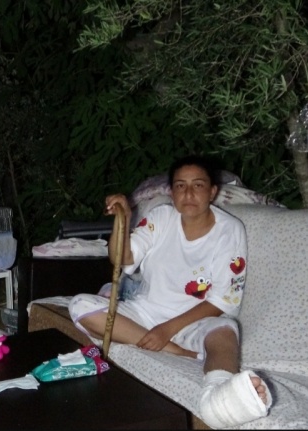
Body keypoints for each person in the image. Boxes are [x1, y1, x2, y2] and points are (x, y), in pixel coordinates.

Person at [68, 155, 272, 429]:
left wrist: (167, 329)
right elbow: (122, 259)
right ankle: (180, 353)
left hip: (195, 321)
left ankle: (220, 399)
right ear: (172, 192)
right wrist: (123, 220)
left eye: (198, 185)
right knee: (80, 305)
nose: (188, 193)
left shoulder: (229, 230)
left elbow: (224, 300)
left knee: (225, 331)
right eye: (180, 186)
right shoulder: (161, 217)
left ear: (212, 191)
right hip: (146, 313)